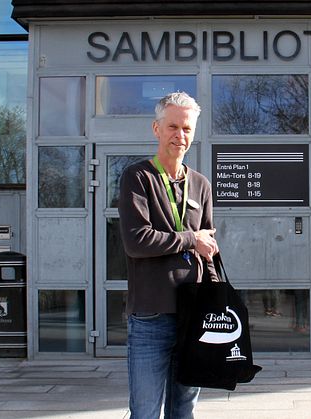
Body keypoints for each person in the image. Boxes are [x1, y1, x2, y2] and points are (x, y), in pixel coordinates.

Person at [118, 92, 219, 419]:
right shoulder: (137, 177)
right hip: (151, 316)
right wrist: (190, 239)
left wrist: (215, 294)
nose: (180, 135)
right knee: (146, 412)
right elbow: (137, 241)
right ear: (156, 128)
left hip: (193, 316)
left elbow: (210, 248)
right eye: (173, 126)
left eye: (187, 128)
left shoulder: (200, 184)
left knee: (184, 410)